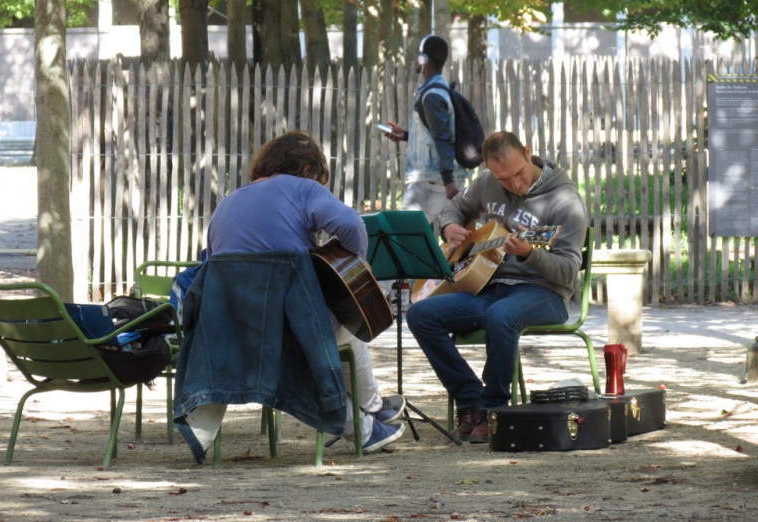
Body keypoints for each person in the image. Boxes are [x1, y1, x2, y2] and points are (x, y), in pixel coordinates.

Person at [175, 130, 405, 463]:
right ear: (309, 168)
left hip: (230, 334)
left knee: (333, 329)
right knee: (349, 329)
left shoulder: (230, 200)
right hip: (293, 327)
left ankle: (371, 414)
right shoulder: (304, 189)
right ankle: (370, 415)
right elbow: (351, 224)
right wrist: (352, 272)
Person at [405, 131, 589, 444]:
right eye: (504, 179)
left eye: (518, 174)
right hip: (489, 287)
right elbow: (455, 208)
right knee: (421, 315)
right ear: (491, 171)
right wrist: (449, 226)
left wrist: (530, 254)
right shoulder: (486, 183)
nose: (514, 184)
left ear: (529, 153)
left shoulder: (566, 202)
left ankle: (495, 409)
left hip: (544, 293)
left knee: (501, 315)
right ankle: (471, 403)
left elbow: (568, 271)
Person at [382, 34, 468, 224]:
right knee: (426, 239)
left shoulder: (432, 95)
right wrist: (405, 135)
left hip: (432, 181)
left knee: (405, 237)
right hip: (437, 179)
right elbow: (436, 132)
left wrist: (448, 181)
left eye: (417, 54)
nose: (415, 58)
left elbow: (443, 137)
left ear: (424, 59)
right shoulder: (436, 89)